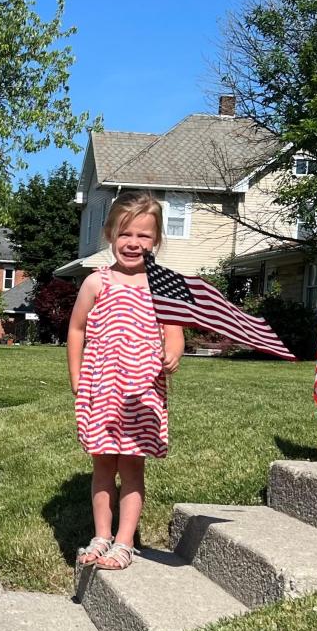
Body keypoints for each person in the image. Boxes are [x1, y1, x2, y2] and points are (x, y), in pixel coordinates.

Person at [67, 190, 184, 571]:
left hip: (142, 394)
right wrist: (77, 380)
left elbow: (175, 330)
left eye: (143, 236)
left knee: (132, 468)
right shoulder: (96, 283)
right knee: (102, 467)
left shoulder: (163, 286)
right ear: (109, 234)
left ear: (157, 240)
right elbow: (77, 330)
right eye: (124, 234)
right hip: (101, 391)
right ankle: (101, 535)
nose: (133, 243)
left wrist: (173, 350)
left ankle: (125, 541)